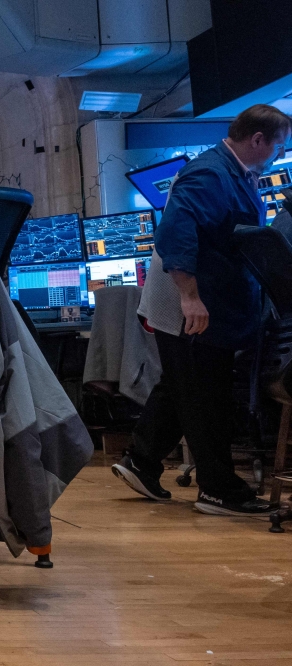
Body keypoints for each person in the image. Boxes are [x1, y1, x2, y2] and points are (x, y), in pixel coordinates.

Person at [112, 104, 292, 516]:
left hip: (202, 301)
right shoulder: (210, 174)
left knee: (184, 385)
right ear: (257, 140)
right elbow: (174, 233)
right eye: (279, 147)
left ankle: (140, 460)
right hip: (188, 303)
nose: (279, 156)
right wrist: (189, 296)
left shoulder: (236, 172)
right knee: (205, 395)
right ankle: (218, 490)